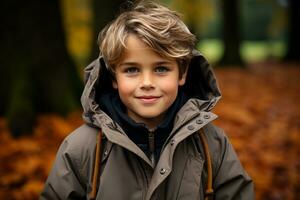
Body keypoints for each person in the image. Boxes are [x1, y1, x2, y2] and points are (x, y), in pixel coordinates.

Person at [40, 1, 254, 199]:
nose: (147, 82)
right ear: (114, 76)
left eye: (161, 69)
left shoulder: (210, 144)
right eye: (132, 70)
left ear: (181, 74)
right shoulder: (82, 148)